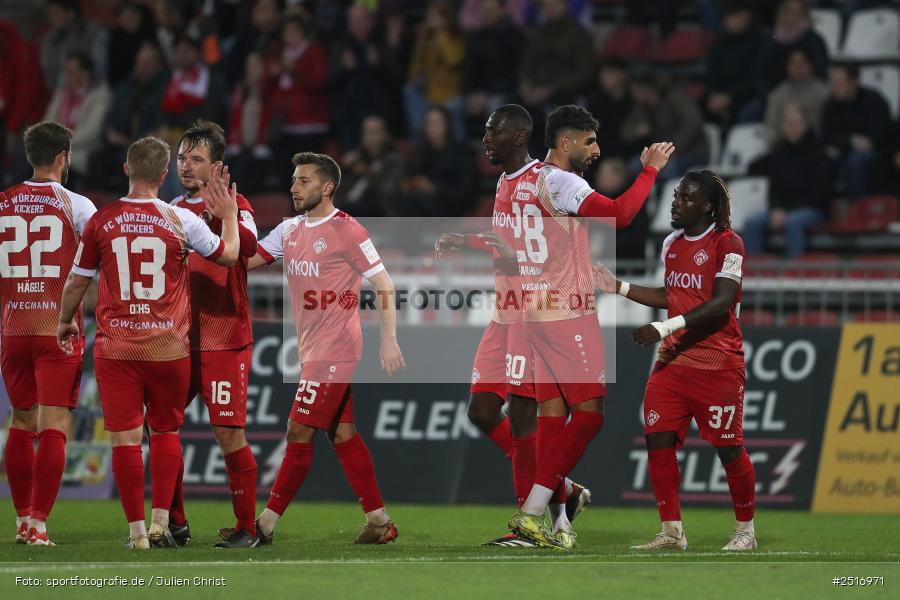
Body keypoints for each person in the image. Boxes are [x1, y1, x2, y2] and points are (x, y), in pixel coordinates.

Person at [56, 137, 239, 549]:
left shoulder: (101, 221)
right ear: (162, 175)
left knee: (123, 438)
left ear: (125, 169)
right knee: (166, 430)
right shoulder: (180, 220)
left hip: (116, 347)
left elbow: (77, 281)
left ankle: (137, 533)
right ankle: (161, 524)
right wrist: (228, 216)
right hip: (167, 346)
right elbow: (228, 256)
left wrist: (65, 321)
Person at [508, 106, 673, 548]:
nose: (597, 151)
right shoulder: (562, 181)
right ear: (566, 143)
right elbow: (620, 215)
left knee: (552, 418)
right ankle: (531, 512)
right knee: (590, 416)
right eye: (589, 141)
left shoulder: (525, 180)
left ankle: (560, 523)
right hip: (567, 314)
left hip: (535, 310)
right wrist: (650, 172)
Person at [435, 105, 592, 546]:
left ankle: (529, 523)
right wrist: (466, 241)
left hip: (534, 311)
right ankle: (562, 489)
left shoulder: (544, 181)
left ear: (518, 136)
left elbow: (550, 246)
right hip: (504, 311)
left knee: (525, 415)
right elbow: (508, 243)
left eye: (492, 131)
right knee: (482, 411)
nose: (485, 138)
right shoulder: (503, 183)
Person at [246, 152, 405, 545]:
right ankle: (379, 520)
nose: (294, 187)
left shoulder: (349, 231)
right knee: (342, 434)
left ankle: (264, 525)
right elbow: (248, 260)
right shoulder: (289, 230)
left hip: (338, 348)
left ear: (327, 187)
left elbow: (384, 285)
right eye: (294, 179)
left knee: (298, 430)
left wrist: (388, 340)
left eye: (303, 181)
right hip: (311, 349)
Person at [594, 170, 757, 552]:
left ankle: (745, 531)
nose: (675, 202)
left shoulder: (728, 244)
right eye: (676, 196)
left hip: (717, 362)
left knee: (729, 449)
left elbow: (720, 303)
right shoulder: (671, 243)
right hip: (673, 362)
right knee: (658, 440)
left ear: (706, 206)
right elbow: (674, 294)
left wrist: (666, 328)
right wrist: (618, 287)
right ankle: (672, 532)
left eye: (685, 198)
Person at [0, 122, 96, 546]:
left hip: (13, 327)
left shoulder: (2, 203)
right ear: (63, 157)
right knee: (54, 424)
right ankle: (38, 524)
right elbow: (105, 256)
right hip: (58, 326)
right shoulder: (77, 205)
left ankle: (21, 521)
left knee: (20, 424)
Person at [167, 121, 260, 548]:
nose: (186, 166)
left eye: (196, 159)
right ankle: (175, 522)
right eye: (182, 157)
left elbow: (249, 249)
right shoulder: (169, 208)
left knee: (228, 434)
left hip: (225, 335)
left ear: (216, 165)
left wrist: (224, 216)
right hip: (180, 337)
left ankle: (246, 527)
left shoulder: (238, 203)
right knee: (162, 426)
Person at [746, 103, 831, 257]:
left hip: (813, 209)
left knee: (793, 222)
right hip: (784, 210)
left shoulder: (819, 153)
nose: (792, 127)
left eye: (797, 123)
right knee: (751, 223)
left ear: (806, 125)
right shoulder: (779, 153)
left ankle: (793, 273)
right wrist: (775, 209)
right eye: (788, 123)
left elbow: (819, 194)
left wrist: (786, 212)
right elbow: (773, 189)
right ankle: (753, 273)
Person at [821, 63, 892, 199]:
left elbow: (877, 139)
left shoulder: (874, 101)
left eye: (839, 82)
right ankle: (821, 209)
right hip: (843, 150)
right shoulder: (830, 105)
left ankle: (857, 209)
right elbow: (826, 137)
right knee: (821, 158)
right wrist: (851, 140)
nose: (834, 86)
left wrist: (842, 142)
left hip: (877, 153)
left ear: (854, 82)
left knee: (855, 162)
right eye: (832, 82)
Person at [42, 52, 111, 184]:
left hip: (81, 150)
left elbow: (91, 132)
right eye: (67, 71)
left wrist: (60, 143)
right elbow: (47, 121)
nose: (67, 76)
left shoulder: (99, 94)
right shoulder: (62, 92)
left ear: (85, 74)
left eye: (72, 72)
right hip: (55, 148)